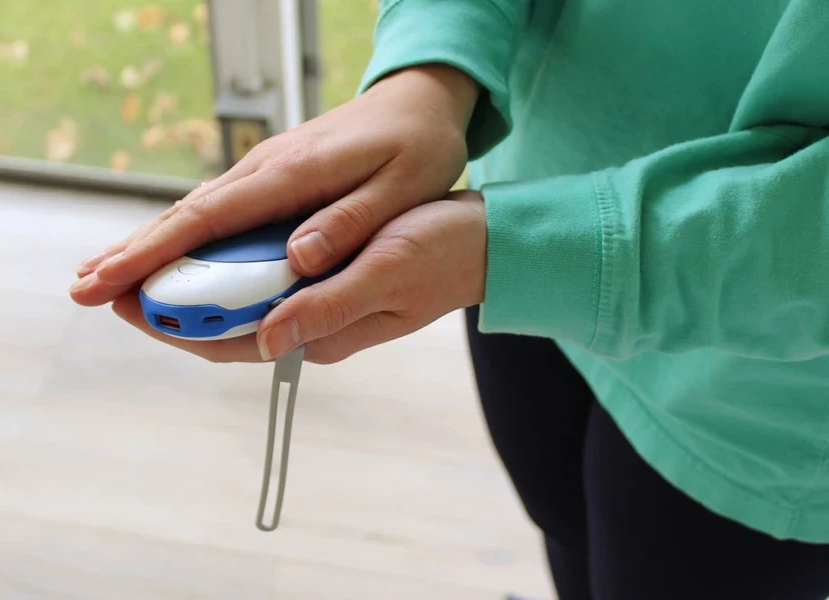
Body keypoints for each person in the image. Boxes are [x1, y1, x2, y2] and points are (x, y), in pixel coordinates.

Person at [71, 1, 829, 597]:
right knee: (562, 524)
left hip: (759, 389)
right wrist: (428, 67)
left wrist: (519, 249)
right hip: (515, 227)